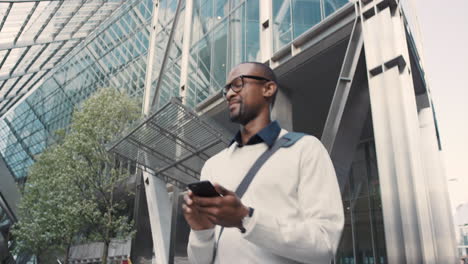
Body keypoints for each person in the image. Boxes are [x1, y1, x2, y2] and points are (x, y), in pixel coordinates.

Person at [182, 62, 344, 263]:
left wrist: (245, 218)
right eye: (227, 90)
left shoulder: (305, 149)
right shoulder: (213, 165)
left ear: (268, 88)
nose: (230, 94)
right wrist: (201, 232)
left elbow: (325, 246)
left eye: (238, 84)